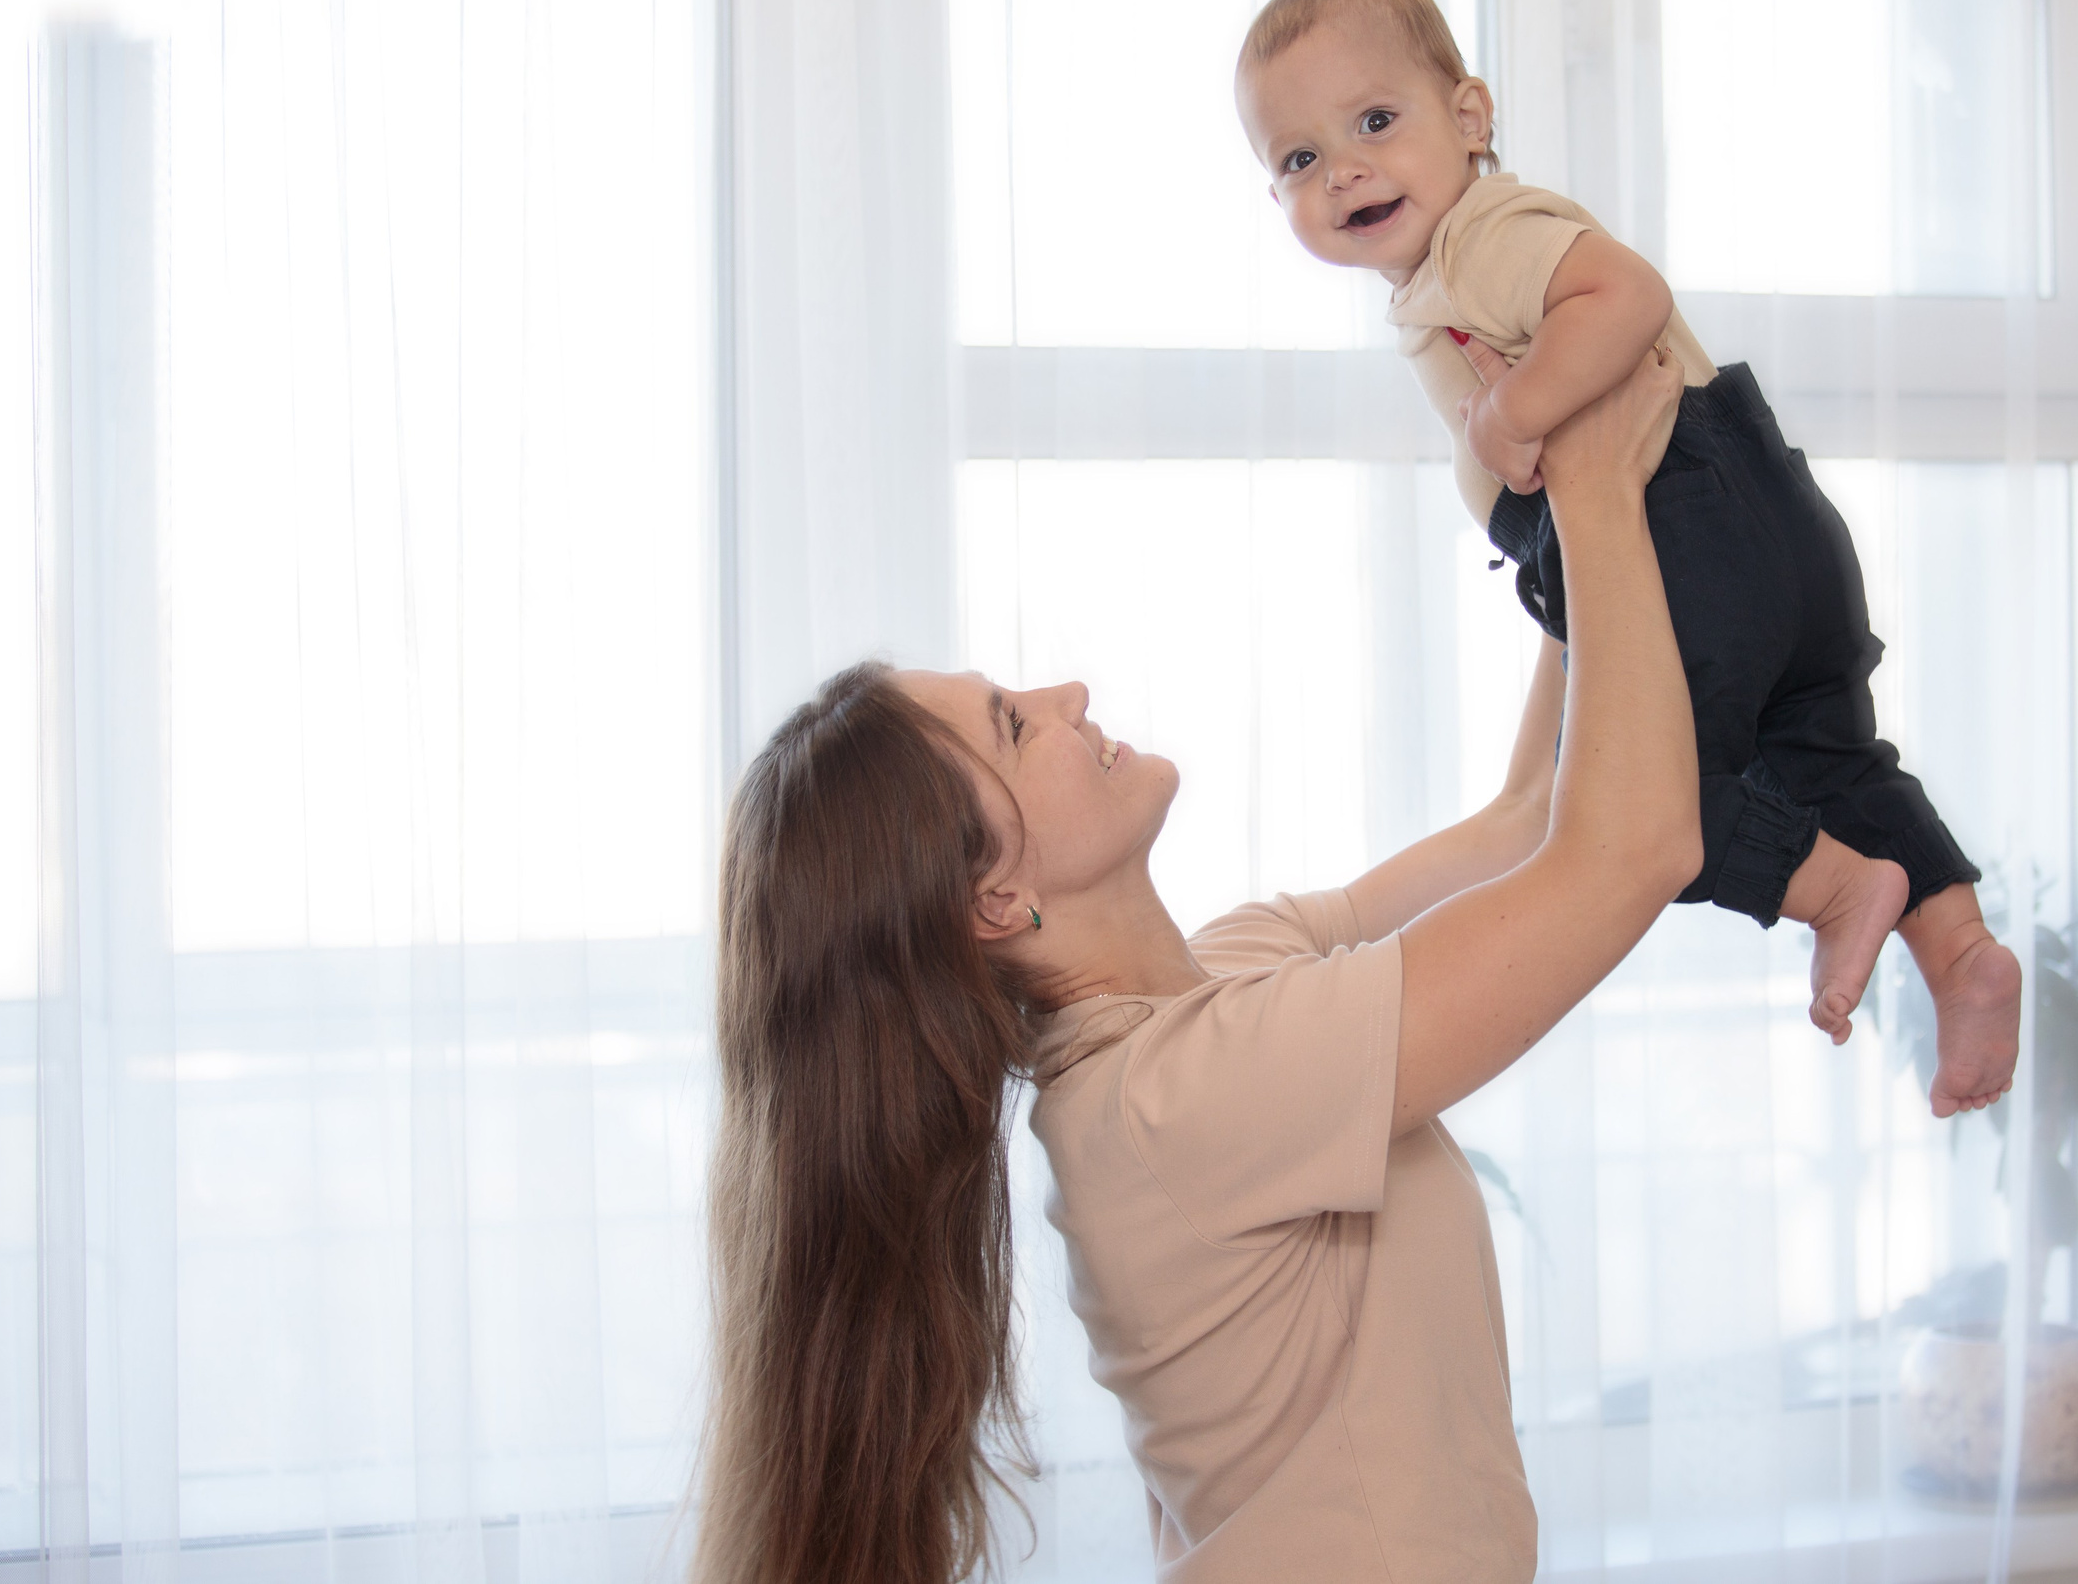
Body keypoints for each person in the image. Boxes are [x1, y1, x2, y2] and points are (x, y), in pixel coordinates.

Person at [695, 347, 1706, 1583]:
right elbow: (1629, 849)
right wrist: (1599, 483)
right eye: (1014, 724)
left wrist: (1583, 505)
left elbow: (1526, 820)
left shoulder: (1222, 986)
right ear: (994, 900)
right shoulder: (1178, 1100)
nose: (1066, 691)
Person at [1233, 0, 2021, 1116]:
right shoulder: (1448, 263)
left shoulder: (1483, 234)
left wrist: (1509, 413)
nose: (1340, 168)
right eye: (1298, 159)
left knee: (1639, 800)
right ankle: (1958, 951)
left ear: (1468, 119)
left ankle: (1838, 891)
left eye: (1373, 122)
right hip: (1757, 528)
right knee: (1830, 754)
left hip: (1680, 518)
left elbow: (1624, 295)